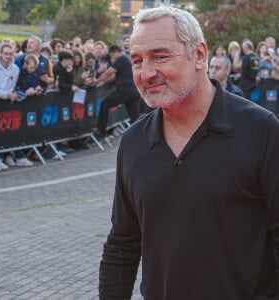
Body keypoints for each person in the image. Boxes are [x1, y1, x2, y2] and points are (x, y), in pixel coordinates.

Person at [99, 6, 279, 300]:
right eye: (137, 61)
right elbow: (122, 243)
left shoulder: (261, 130)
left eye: (160, 56)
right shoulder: (133, 142)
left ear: (199, 55)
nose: (146, 73)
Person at [95, 45, 140, 138]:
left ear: (115, 52)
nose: (112, 59)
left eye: (112, 56)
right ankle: (142, 136)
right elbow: (114, 77)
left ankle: (101, 132)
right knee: (135, 117)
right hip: (133, 91)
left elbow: (109, 72)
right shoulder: (127, 59)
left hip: (125, 90)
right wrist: (103, 81)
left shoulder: (121, 59)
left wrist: (96, 81)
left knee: (104, 104)